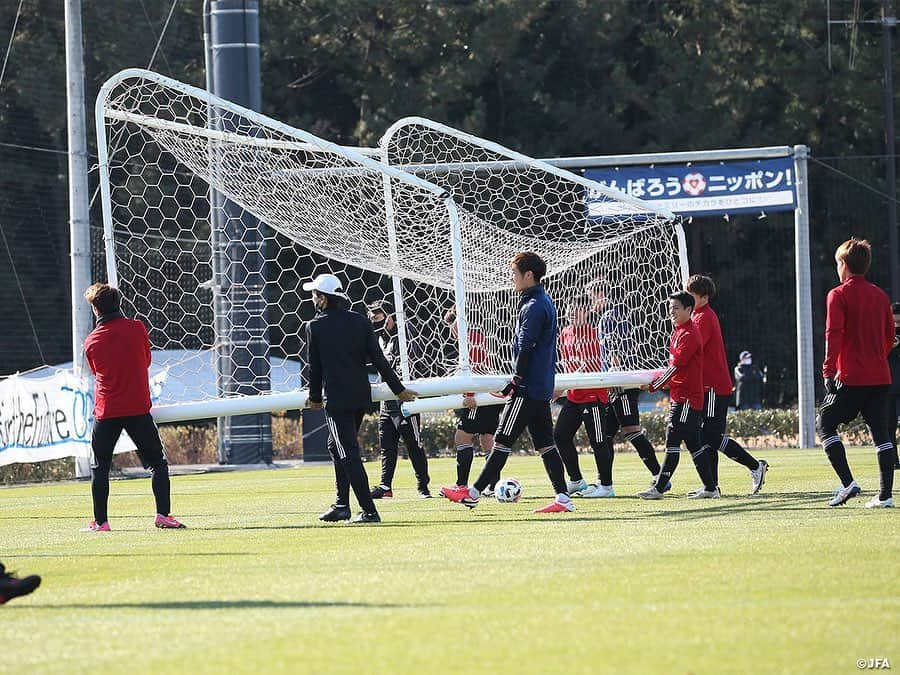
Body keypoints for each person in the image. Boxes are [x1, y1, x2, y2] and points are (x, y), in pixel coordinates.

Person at [441, 251, 574, 513]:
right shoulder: (542, 301)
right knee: (546, 443)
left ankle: (474, 493)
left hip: (527, 387)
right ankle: (563, 498)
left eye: (514, 273)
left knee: (502, 440)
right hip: (540, 385)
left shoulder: (534, 305)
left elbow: (526, 346)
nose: (511, 278)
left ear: (529, 275)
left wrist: (516, 379)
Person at [305, 274, 417, 523]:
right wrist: (398, 389)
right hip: (360, 396)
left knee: (347, 452)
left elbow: (315, 368)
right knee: (336, 446)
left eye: (314, 294)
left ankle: (369, 511)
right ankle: (341, 505)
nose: (313, 299)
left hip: (336, 399)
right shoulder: (359, 322)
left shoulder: (315, 326)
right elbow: (379, 360)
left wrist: (314, 398)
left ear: (323, 298)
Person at [81, 283, 184, 531]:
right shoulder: (137, 328)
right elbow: (146, 360)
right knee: (157, 464)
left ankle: (101, 522)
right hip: (137, 408)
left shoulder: (92, 341)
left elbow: (96, 371)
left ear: (95, 310)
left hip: (107, 411)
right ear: (119, 303)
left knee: (100, 466)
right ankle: (163, 515)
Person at [819, 238, 896, 508]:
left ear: (843, 265)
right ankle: (885, 496)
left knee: (825, 422)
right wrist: (875, 357)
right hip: (880, 376)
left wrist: (829, 370)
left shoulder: (837, 295)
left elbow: (833, 334)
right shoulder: (880, 295)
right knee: (882, 434)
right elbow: (890, 337)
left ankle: (848, 483)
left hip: (851, 376)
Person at [685, 275, 768, 495]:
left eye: (691, 295)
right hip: (706, 386)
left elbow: (692, 349)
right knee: (706, 436)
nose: (688, 299)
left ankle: (755, 466)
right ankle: (711, 486)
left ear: (703, 296)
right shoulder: (697, 316)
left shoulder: (703, 317)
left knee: (710, 436)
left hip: (713, 386)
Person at [639, 291, 718, 500]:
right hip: (680, 396)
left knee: (672, 439)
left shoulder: (690, 333)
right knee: (693, 444)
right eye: (670, 307)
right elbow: (675, 367)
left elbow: (676, 367)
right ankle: (711, 488)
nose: (671, 311)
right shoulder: (678, 331)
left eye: (676, 308)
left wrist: (654, 385)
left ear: (688, 310)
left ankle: (659, 488)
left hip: (687, 399)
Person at [587, 280, 662, 483]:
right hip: (615, 384)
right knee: (605, 435)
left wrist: (614, 375)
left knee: (631, 431)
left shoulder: (611, 316)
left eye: (592, 296)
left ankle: (660, 476)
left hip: (621, 383)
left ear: (601, 294)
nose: (590, 301)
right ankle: (603, 482)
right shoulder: (609, 316)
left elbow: (617, 351)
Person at [366, 302, 431, 499]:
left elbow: (416, 361)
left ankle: (423, 486)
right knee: (386, 445)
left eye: (378, 317)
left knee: (413, 444)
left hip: (405, 401)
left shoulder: (405, 334)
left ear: (390, 316)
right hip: (386, 402)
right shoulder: (380, 339)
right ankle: (386, 486)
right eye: (372, 318)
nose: (375, 321)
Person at [553, 298, 615, 498]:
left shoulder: (595, 334)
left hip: (593, 396)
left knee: (598, 440)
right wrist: (560, 387)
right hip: (574, 396)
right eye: (569, 309)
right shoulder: (565, 333)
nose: (571, 313)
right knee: (560, 435)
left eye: (577, 310)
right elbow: (567, 365)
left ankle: (606, 487)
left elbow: (592, 366)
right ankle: (576, 480)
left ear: (587, 312)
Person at [443, 307, 502, 494]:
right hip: (490, 392)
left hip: (479, 394)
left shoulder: (470, 340)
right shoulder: (477, 337)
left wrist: (469, 396)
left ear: (459, 325)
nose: (450, 333)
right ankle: (493, 485)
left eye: (451, 327)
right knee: (487, 439)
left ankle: (461, 485)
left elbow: (476, 369)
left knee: (462, 436)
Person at [887, 303, 900, 470]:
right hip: (888, 385)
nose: (896, 326)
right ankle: (893, 461)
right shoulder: (882, 332)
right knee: (889, 425)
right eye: (894, 322)